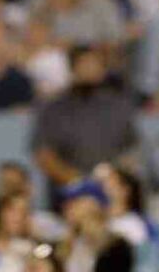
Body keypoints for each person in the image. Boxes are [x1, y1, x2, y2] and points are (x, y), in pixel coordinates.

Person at [31, 45, 140, 208]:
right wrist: (79, 182)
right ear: (73, 68)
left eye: (95, 64)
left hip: (111, 196)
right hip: (68, 198)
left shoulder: (118, 107)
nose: (90, 69)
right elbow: (43, 155)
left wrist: (110, 179)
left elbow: (131, 150)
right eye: (84, 63)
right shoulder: (54, 108)